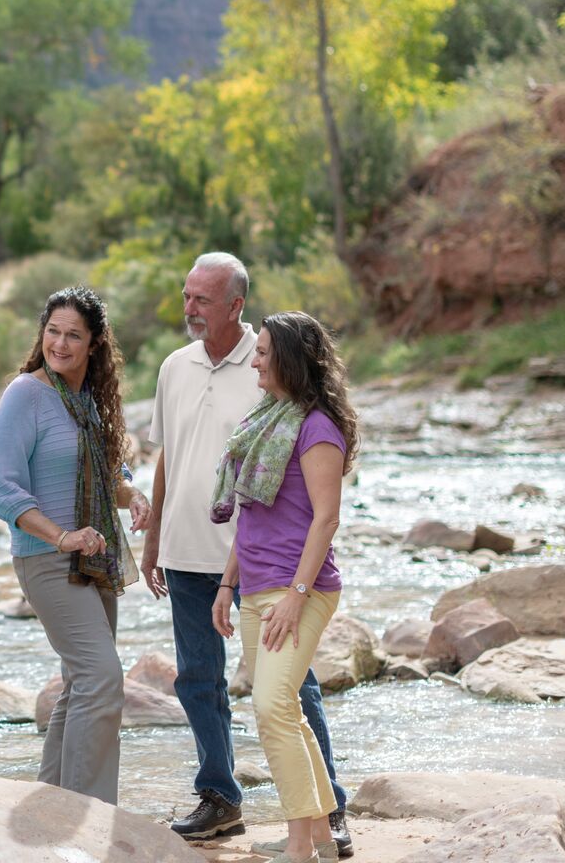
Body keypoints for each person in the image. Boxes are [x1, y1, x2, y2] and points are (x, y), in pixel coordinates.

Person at [141, 254, 350, 853]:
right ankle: (224, 801)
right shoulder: (179, 369)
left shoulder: (287, 394)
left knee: (287, 697)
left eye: (202, 300)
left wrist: (294, 590)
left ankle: (323, 820)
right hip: (202, 557)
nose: (189, 309)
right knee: (199, 681)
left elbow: (319, 509)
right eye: (187, 297)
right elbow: (178, 463)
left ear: (235, 305)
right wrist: (155, 538)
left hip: (272, 575)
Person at [0, 286, 147, 804]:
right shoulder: (25, 394)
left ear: (95, 343)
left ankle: (53, 804)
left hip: (93, 561)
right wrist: (61, 535)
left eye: (73, 334)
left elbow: (108, 478)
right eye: (52, 331)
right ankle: (91, 814)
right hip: (47, 559)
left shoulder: (86, 402)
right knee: (102, 680)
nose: (60, 343)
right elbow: (3, 490)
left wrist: (135, 496)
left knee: (81, 684)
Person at [211, 312, 358, 863]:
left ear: (291, 359)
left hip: (301, 589)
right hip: (256, 587)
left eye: (265, 352)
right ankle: (319, 829)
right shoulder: (267, 419)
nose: (254, 360)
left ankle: (300, 844)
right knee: (285, 710)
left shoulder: (318, 427)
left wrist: (297, 595)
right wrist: (228, 585)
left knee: (271, 707)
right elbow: (251, 516)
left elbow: (325, 519)